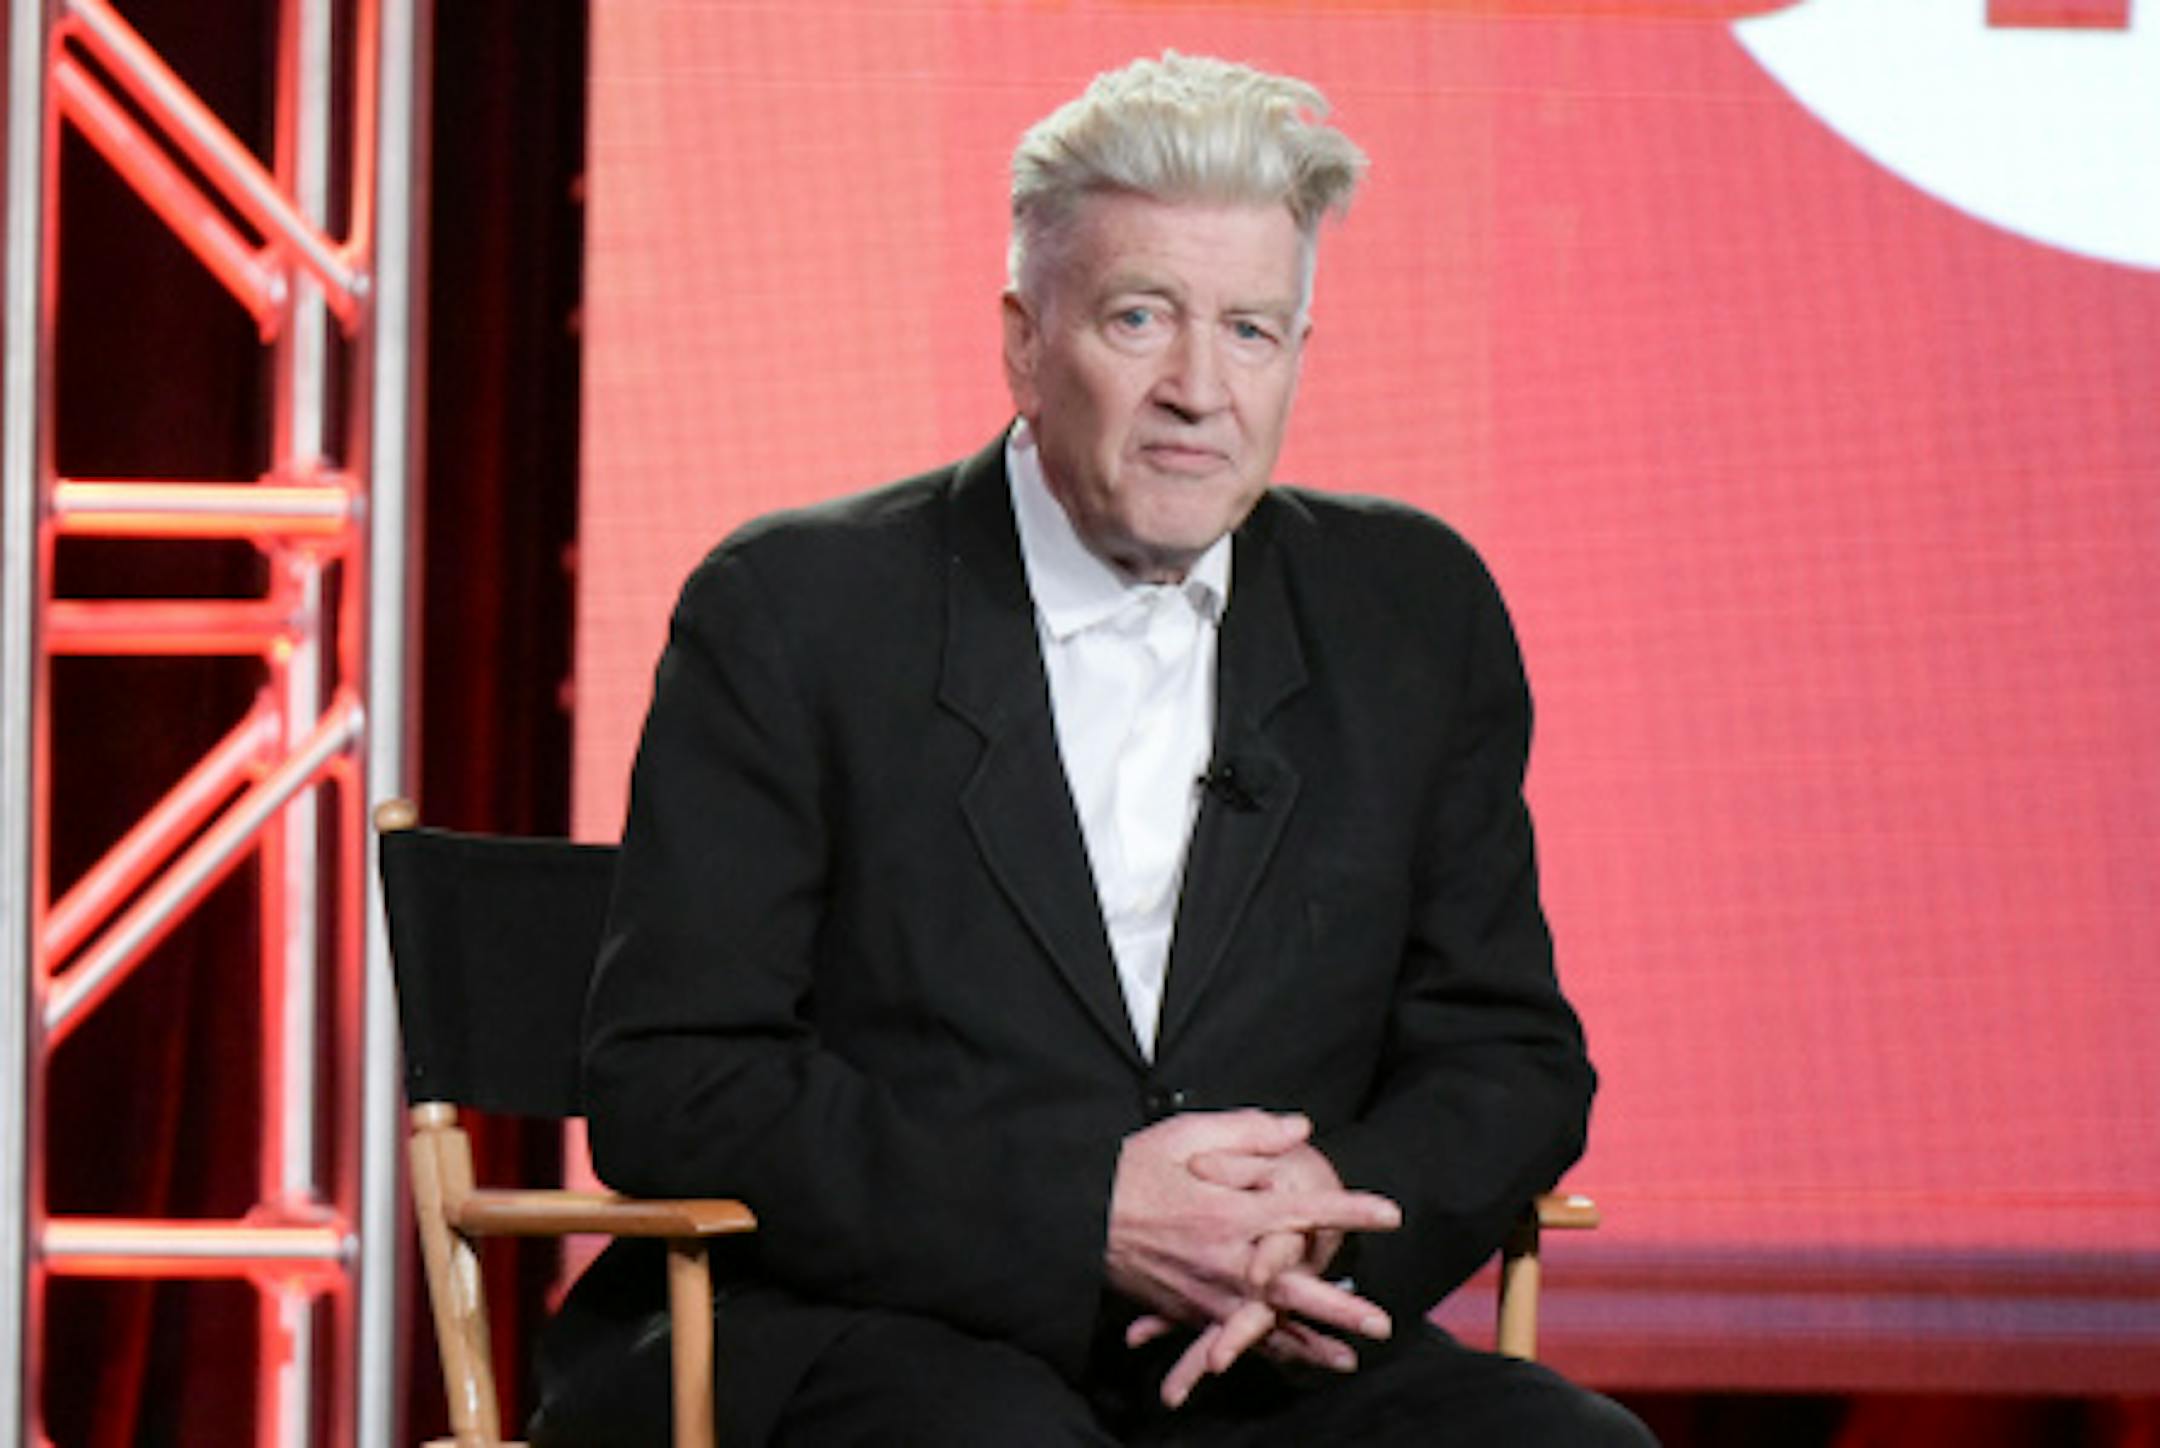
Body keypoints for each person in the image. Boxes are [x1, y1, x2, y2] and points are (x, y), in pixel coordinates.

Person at [534, 51, 1654, 1447]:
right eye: (1141, 319)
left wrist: (1321, 1226)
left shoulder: (1411, 613)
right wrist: (1082, 1217)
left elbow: (1509, 1054)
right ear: (1023, 339)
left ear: (1299, 353)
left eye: (1251, 331)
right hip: (869, 1328)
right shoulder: (798, 612)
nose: (1200, 389)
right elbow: (677, 1085)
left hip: (1261, 1347)